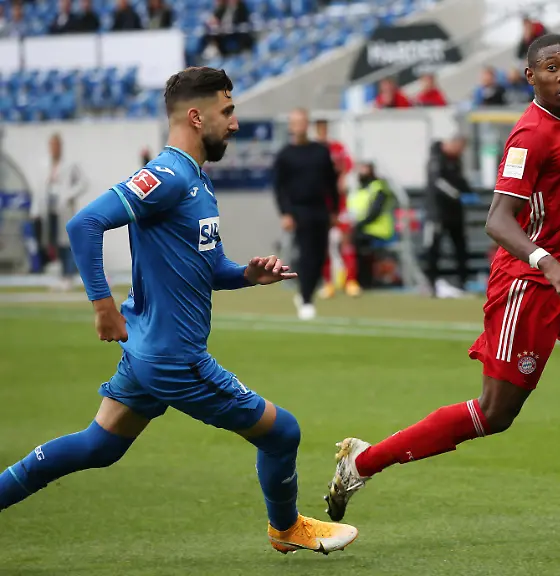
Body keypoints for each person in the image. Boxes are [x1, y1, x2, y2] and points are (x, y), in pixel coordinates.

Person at [324, 34, 560, 536]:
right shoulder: (530, 134)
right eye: (551, 67)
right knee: (495, 413)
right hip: (527, 285)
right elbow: (498, 219)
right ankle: (362, 462)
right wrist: (548, 264)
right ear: (531, 76)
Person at [0, 67, 357, 554]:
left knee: (98, 446)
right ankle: (286, 528)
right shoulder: (168, 175)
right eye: (227, 111)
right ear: (195, 117)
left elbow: (209, 268)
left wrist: (247, 275)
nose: (235, 123)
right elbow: (85, 224)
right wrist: (103, 306)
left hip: (148, 351)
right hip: (174, 359)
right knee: (282, 432)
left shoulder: (196, 181)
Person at [273, 108, 339, 320]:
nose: (299, 126)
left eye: (302, 122)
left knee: (320, 256)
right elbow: (279, 187)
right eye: (295, 122)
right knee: (306, 254)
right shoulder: (285, 155)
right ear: (291, 126)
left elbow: (331, 183)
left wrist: (335, 210)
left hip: (320, 209)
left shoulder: (321, 152)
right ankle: (306, 298)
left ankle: (306, 293)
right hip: (298, 210)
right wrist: (285, 213)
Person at [313, 118, 359, 298]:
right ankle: (328, 283)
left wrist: (343, 179)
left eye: (324, 128)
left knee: (346, 242)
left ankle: (351, 282)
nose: (322, 131)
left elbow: (348, 165)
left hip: (340, 203)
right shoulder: (312, 150)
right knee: (324, 244)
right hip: (321, 203)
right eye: (319, 128)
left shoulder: (337, 148)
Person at [38, 133, 88, 290]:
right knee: (54, 242)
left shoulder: (70, 164)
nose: (54, 149)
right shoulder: (45, 164)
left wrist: (68, 196)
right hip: (50, 208)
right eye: (52, 145)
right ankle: (61, 275)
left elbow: (83, 183)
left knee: (66, 242)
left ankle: (69, 275)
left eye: (56, 145)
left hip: (64, 208)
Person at [424, 135, 471, 297]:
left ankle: (462, 283)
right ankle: (431, 284)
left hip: (455, 214)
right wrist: (457, 195)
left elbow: (460, 180)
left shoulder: (456, 161)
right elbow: (438, 183)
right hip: (437, 213)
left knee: (460, 249)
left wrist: (468, 191)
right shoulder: (437, 160)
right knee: (433, 249)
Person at [346, 162, 395, 289]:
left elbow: (375, 212)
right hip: (361, 229)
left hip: (378, 230)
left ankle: (363, 280)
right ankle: (350, 279)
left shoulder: (378, 187)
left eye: (364, 169)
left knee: (358, 243)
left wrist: (358, 225)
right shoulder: (357, 190)